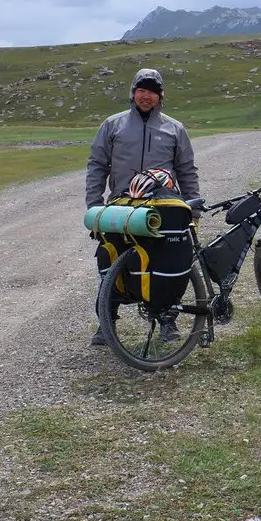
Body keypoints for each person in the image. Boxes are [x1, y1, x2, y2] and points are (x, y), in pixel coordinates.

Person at [85, 67, 203, 344]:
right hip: (121, 206)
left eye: (151, 91)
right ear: (133, 93)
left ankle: (166, 319)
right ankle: (107, 320)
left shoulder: (175, 129)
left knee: (165, 263)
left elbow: (187, 170)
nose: (145, 96)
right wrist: (94, 205)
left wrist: (192, 207)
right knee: (111, 259)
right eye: (141, 90)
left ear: (160, 96)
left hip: (163, 206)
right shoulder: (112, 125)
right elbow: (97, 165)